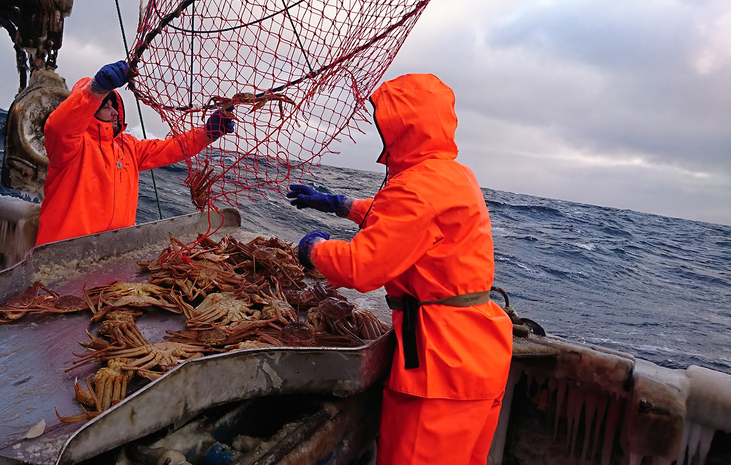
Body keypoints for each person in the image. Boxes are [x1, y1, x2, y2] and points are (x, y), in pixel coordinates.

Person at [287, 73, 513, 464]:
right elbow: (407, 225)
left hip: (440, 366)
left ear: (401, 127)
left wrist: (314, 250)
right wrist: (341, 204)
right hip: (480, 354)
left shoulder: (415, 188)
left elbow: (361, 268)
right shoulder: (453, 175)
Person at [35, 60, 233, 246]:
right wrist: (95, 91)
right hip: (60, 254)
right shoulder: (70, 145)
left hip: (112, 255)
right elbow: (59, 127)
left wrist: (207, 133)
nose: (114, 112)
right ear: (90, 111)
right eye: (105, 107)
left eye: (114, 106)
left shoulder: (129, 147)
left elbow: (172, 148)